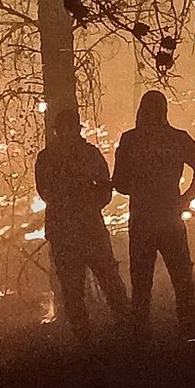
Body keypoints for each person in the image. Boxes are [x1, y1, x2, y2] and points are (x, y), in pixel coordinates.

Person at [113, 90, 195, 341]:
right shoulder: (177, 138)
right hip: (170, 218)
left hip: (143, 219)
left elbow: (121, 183)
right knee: (182, 279)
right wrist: (186, 196)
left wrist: (139, 186)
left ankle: (140, 339)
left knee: (141, 283)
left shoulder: (130, 140)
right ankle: (190, 331)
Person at [35, 108, 130, 342]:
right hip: (69, 232)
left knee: (109, 282)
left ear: (76, 129)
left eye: (69, 128)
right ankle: (86, 340)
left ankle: (128, 330)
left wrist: (87, 206)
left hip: (86, 229)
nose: (66, 133)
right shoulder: (48, 158)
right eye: (62, 129)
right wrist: (82, 204)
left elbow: (105, 187)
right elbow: (45, 192)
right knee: (72, 290)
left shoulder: (84, 154)